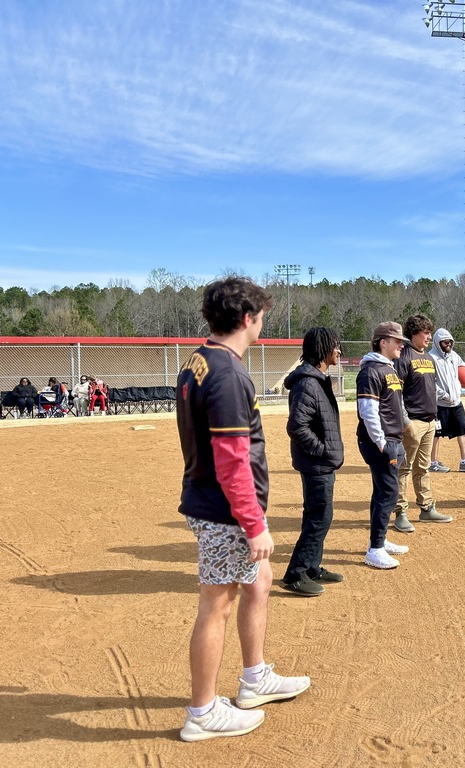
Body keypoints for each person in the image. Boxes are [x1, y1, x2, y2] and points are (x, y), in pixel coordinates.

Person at [176, 277, 309, 742]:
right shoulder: (229, 374)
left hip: (217, 501)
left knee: (262, 580)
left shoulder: (199, 360)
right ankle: (203, 712)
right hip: (226, 509)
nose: (262, 326)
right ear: (248, 319)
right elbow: (232, 461)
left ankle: (254, 680)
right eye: (262, 318)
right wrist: (253, 525)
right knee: (217, 604)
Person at [281, 327, 345, 596]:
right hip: (316, 464)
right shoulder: (308, 383)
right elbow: (297, 426)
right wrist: (322, 450)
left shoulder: (316, 379)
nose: (339, 351)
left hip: (321, 463)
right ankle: (296, 574)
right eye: (335, 346)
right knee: (319, 518)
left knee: (318, 516)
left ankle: (311, 567)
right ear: (322, 349)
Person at [355, 321, 412, 569]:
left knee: (382, 492)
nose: (401, 345)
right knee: (388, 492)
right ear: (383, 342)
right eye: (397, 341)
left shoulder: (389, 369)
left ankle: (380, 540)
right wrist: (381, 442)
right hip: (381, 442)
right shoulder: (370, 371)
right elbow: (368, 411)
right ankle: (375, 549)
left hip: (393, 439)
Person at [391, 314, 453, 532]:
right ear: (413, 333)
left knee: (423, 467)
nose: (429, 337)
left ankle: (426, 508)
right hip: (412, 423)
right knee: (404, 468)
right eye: (425, 333)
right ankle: (401, 512)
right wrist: (405, 421)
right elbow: (395, 392)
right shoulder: (403, 357)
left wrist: (435, 418)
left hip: (428, 422)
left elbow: (430, 390)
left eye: (429, 333)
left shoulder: (427, 358)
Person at [428, 327, 465, 473]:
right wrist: (443, 395)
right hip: (439, 404)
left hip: (456, 402)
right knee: (436, 434)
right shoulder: (431, 358)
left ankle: (464, 462)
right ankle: (432, 462)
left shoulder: (454, 356)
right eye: (444, 342)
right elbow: (430, 382)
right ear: (437, 343)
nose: (448, 344)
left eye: (449, 342)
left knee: (462, 430)